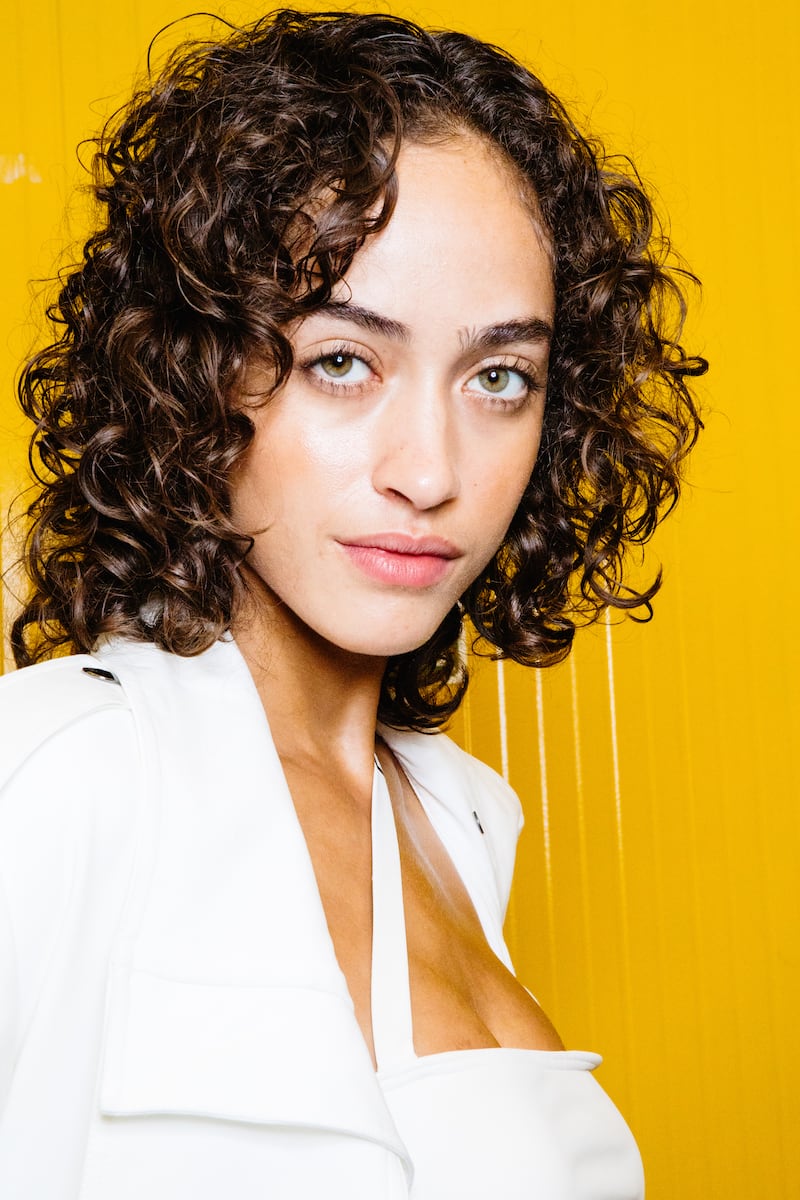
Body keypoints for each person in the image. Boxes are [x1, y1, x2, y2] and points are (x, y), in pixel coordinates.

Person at [0, 9, 704, 1198]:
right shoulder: (65, 772)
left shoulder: (465, 820)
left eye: (497, 377)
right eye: (342, 360)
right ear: (198, 365)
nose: (428, 472)